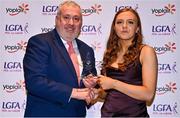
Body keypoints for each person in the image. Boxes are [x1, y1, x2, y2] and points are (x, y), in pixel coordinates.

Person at [23, 0, 97, 117]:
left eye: (76, 19)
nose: (71, 23)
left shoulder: (87, 50)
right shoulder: (40, 42)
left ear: (81, 23)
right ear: (57, 20)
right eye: (66, 17)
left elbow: (88, 84)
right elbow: (34, 82)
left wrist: (90, 86)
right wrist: (74, 92)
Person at [97, 8, 158, 117]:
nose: (124, 26)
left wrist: (114, 84)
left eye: (130, 22)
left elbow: (148, 95)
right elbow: (107, 93)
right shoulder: (109, 53)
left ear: (137, 28)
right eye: (119, 22)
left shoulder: (145, 51)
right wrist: (95, 93)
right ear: (114, 27)